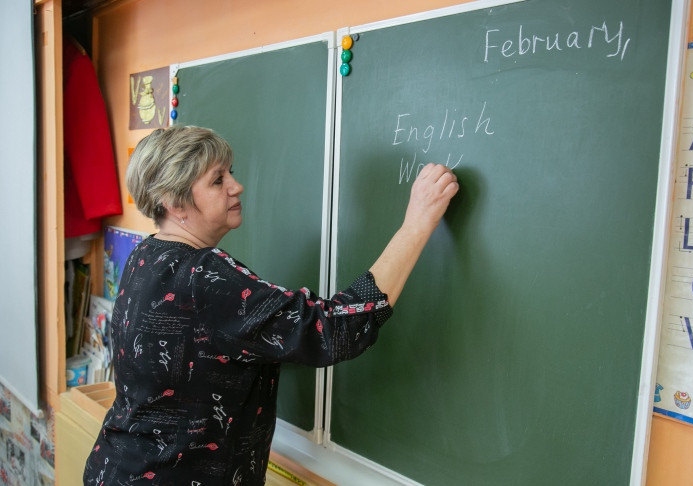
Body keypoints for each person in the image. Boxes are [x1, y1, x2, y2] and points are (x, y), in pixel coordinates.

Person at [83, 125, 458, 485]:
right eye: (218, 180)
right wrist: (417, 224)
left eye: (231, 173)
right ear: (175, 203)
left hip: (119, 466)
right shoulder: (203, 275)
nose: (236, 186)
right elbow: (333, 330)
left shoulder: (147, 254)